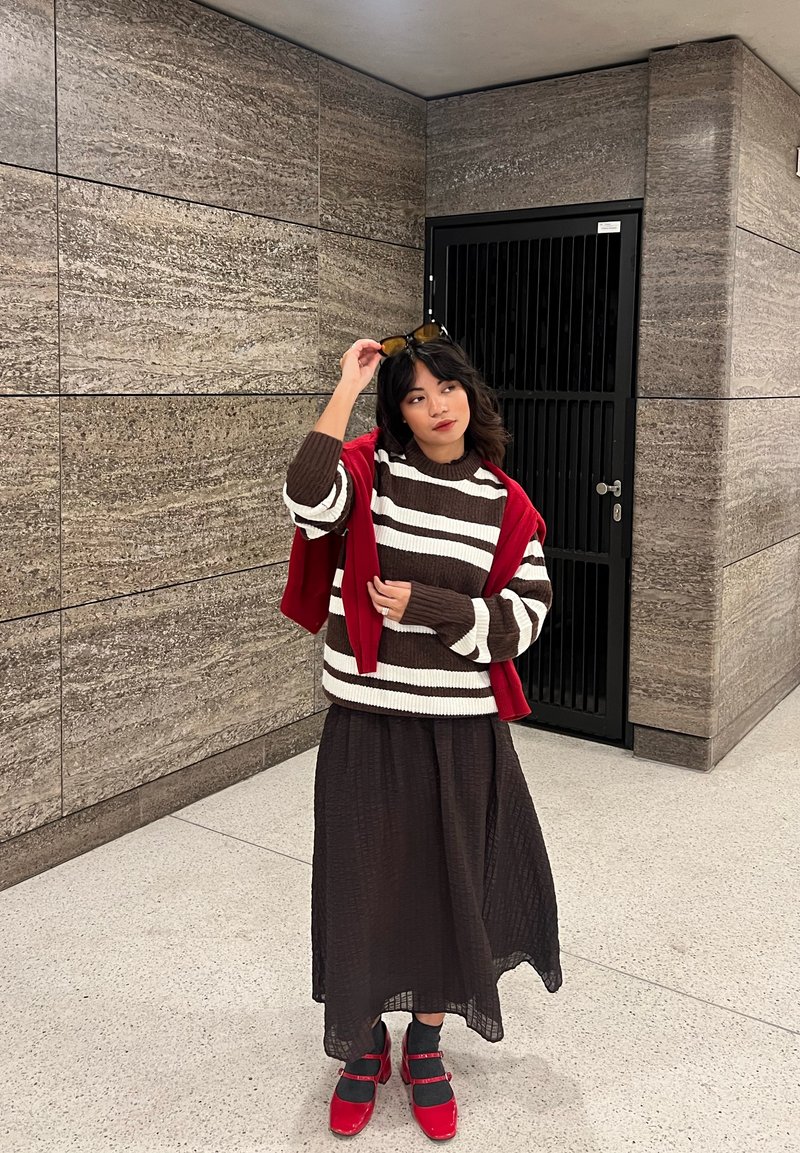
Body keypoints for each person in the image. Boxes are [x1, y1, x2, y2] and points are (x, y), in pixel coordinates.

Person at [280, 323, 562, 1141]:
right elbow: (307, 495)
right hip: (367, 722)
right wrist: (346, 383)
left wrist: (433, 607)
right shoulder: (374, 470)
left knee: (451, 891)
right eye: (414, 394)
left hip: (462, 731)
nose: (436, 406)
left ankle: (428, 1046)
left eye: (447, 388)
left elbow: (524, 618)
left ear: (471, 396)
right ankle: (363, 1047)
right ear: (396, 412)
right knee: (361, 885)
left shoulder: (506, 505)